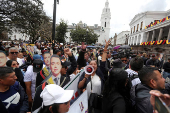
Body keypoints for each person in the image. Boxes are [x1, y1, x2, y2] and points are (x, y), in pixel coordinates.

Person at [78, 40, 110, 113]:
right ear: (88, 66)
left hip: (98, 102)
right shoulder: (85, 74)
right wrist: (85, 78)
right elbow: (79, 86)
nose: (93, 65)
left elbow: (103, 61)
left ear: (97, 66)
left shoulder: (100, 72)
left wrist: (105, 48)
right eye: (91, 64)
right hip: (87, 101)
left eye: (94, 64)